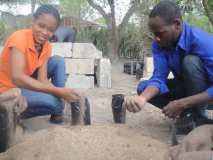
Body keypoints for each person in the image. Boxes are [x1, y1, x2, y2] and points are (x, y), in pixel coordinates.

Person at [124, 0, 213, 132]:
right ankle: (187, 115)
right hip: (186, 88)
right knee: (143, 88)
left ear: (177, 24)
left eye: (160, 33)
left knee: (190, 62)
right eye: (154, 34)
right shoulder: (159, 44)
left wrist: (182, 103)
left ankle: (198, 117)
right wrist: (142, 99)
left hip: (207, 95)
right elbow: (159, 77)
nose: (156, 39)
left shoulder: (202, 42)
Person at [0, 4, 82, 124]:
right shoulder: (19, 38)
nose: (44, 32)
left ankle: (57, 113)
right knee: (56, 104)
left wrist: (63, 92)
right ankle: (7, 112)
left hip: (24, 84)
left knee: (58, 61)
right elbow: (17, 78)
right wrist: (60, 93)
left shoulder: (46, 46)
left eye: (50, 30)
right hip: (8, 88)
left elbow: (42, 79)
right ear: (33, 21)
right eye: (41, 26)